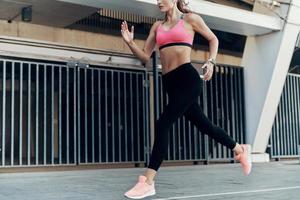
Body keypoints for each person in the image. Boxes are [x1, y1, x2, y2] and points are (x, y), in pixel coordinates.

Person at [121, 0, 252, 199]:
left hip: (188, 79)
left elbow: (213, 39)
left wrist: (211, 61)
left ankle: (147, 181)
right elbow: (145, 57)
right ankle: (239, 148)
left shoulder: (190, 19)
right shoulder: (157, 27)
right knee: (204, 125)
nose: (158, 2)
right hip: (170, 83)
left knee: (162, 123)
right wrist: (130, 43)